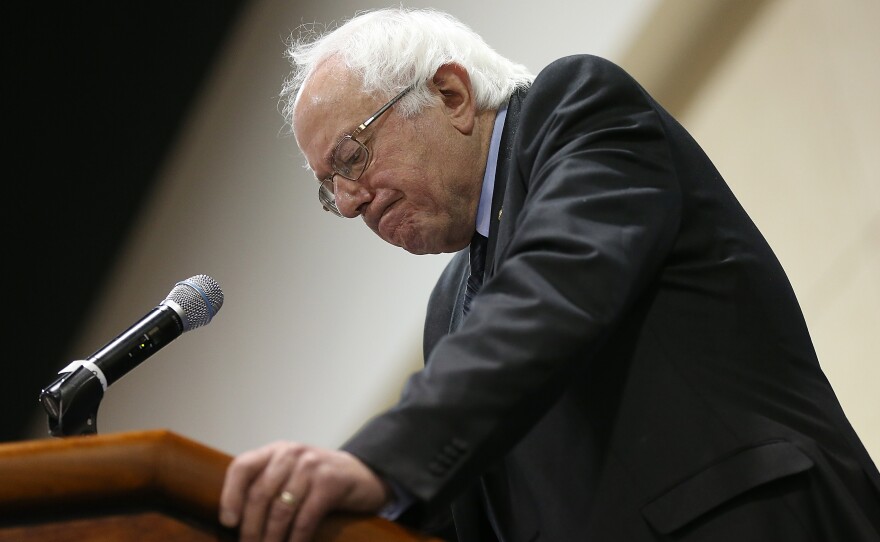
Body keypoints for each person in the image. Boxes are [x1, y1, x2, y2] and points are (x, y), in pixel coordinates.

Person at [219, 7, 880, 542]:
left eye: (352, 156)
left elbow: (557, 288)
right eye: (330, 187)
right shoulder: (448, 309)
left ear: (451, 94)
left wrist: (374, 460)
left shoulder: (578, 110)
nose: (351, 199)